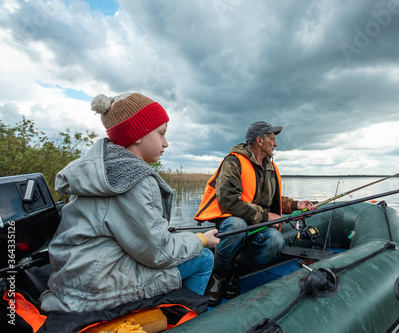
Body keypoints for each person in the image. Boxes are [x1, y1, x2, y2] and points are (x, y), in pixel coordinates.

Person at [40, 92, 219, 313]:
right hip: (99, 287)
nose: (166, 143)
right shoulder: (135, 179)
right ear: (137, 134)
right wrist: (200, 239)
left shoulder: (103, 171)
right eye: (161, 133)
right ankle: (187, 318)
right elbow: (159, 253)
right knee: (203, 258)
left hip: (76, 279)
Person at [194, 121, 316, 306]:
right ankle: (218, 275)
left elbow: (272, 200)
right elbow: (229, 202)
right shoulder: (233, 162)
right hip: (234, 220)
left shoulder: (270, 168)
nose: (275, 144)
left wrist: (295, 204)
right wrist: (267, 217)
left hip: (256, 224)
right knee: (238, 226)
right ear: (259, 140)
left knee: (275, 240)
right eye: (272, 139)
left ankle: (234, 268)